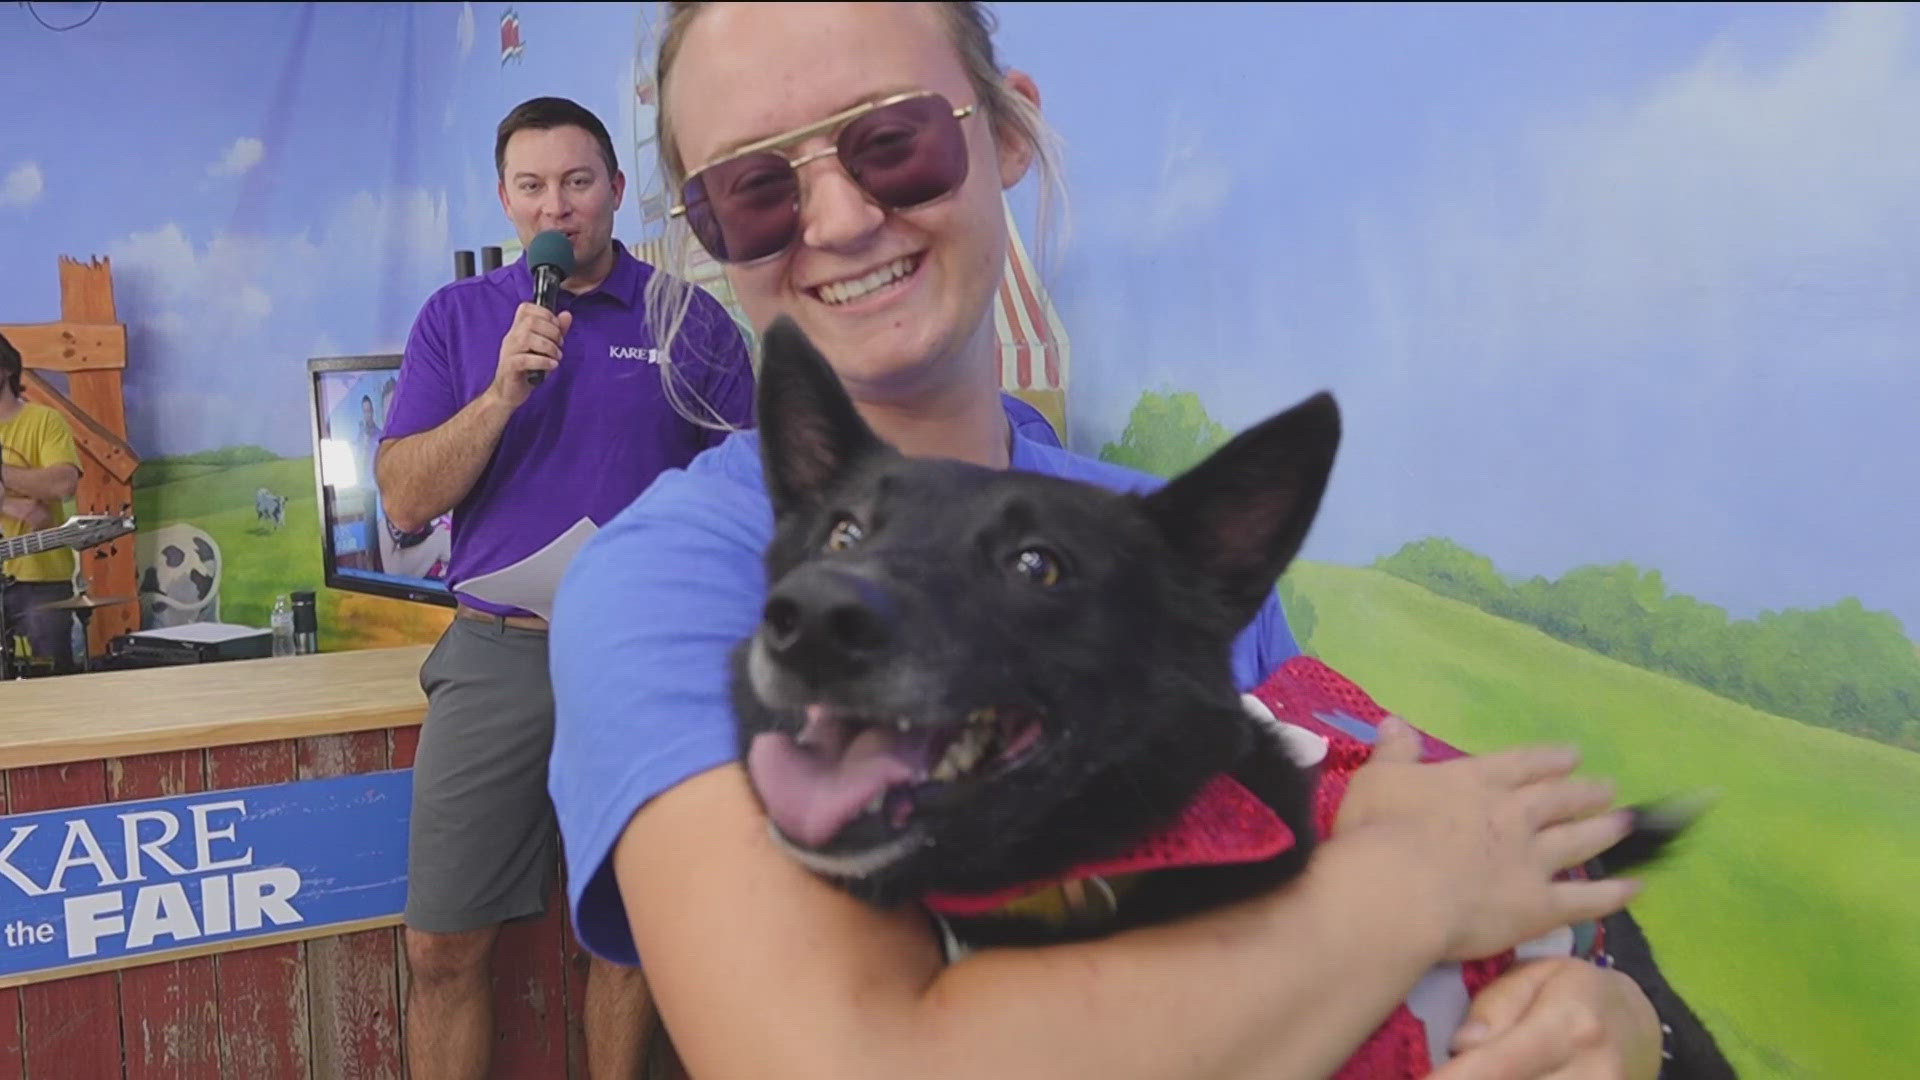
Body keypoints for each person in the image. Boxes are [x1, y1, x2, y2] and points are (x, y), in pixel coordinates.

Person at [547, 4, 1666, 1078]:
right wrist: (1405, 896)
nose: (837, 221)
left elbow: (1395, 815)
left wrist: (1602, 1006)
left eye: (892, 141)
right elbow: (854, 1061)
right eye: (754, 189)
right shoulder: (671, 579)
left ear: (1011, 129)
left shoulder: (1152, 533)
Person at [375, 95, 754, 1080]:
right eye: (534, 187)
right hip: (502, 655)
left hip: (645, 664)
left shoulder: (691, 321)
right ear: (505, 200)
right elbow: (406, 501)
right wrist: (500, 395)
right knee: (441, 945)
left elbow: (759, 494)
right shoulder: (458, 321)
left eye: (578, 183)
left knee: (629, 941)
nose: (559, 208)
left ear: (617, 191)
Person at [0, 330, 83, 674]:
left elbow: (63, 483)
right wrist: (12, 506)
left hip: (42, 581)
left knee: (53, 681)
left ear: (5, 370)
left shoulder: (44, 421)